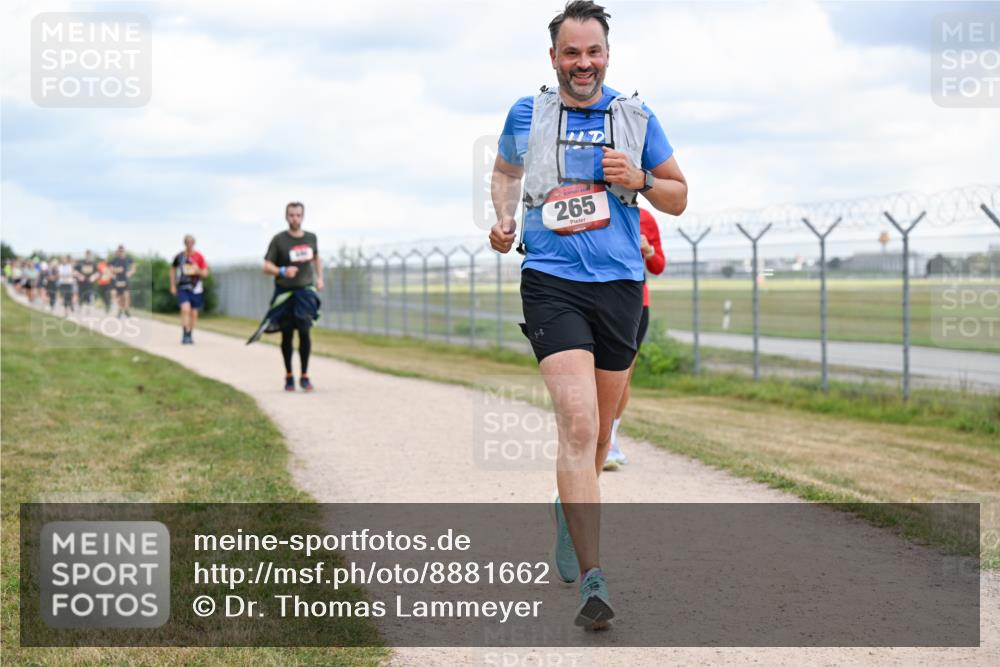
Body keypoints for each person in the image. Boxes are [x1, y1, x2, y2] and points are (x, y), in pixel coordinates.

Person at [488, 0, 687, 630]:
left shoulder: (636, 117)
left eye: (592, 52)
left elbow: (679, 195)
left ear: (607, 55)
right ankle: (594, 582)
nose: (583, 63)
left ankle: (566, 505)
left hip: (620, 287)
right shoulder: (528, 113)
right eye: (571, 53)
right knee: (576, 425)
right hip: (551, 283)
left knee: (600, 434)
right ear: (553, 57)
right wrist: (502, 217)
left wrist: (640, 179)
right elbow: (503, 171)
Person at [603, 208, 665, 470]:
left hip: (635, 302)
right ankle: (590, 437)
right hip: (597, 295)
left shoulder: (645, 217)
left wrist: (647, 249)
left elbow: (658, 265)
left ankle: (609, 442)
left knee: (622, 374)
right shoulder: (593, 207)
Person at [251, 202, 324, 392]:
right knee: (287, 335)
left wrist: (320, 278)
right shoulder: (279, 240)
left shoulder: (311, 238)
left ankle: (305, 376)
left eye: (298, 215)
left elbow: (316, 258)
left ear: (303, 216)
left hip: (305, 293)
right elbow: (266, 266)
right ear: (286, 216)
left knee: (305, 332)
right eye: (292, 215)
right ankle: (289, 375)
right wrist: (282, 270)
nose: (295, 219)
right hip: (285, 294)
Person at [169, 235, 209, 344]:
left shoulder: (199, 257)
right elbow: (172, 270)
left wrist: (198, 271)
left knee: (194, 313)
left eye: (191, 242)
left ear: (194, 243)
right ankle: (185, 333)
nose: (189, 244)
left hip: (196, 288)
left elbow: (205, 273)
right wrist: (172, 285)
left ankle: (190, 333)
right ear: (184, 243)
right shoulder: (179, 257)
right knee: (185, 309)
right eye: (187, 242)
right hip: (183, 287)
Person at [110, 245, 135, 317]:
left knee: (126, 295)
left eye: (122, 251)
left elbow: (133, 268)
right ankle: (120, 310)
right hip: (118, 280)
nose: (121, 252)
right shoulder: (115, 260)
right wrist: (117, 270)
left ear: (124, 251)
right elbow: (110, 269)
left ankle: (126, 310)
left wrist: (130, 273)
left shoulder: (128, 259)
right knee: (120, 296)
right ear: (118, 251)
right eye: (120, 251)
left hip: (125, 280)